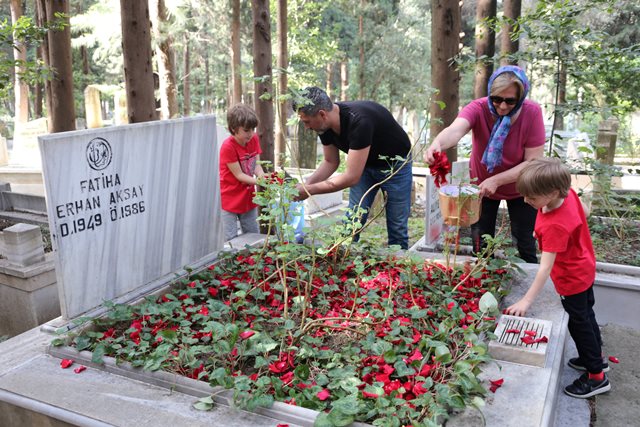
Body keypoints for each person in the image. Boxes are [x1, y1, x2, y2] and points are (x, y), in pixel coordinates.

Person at [505, 157, 611, 399]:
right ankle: (596, 359)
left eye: (531, 198)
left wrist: (526, 301)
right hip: (585, 266)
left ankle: (596, 376)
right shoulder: (569, 194)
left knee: (578, 324)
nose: (526, 201)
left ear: (552, 192)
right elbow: (582, 214)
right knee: (587, 314)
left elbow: (544, 269)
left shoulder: (554, 226)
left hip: (570, 278)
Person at [425, 65, 545, 263]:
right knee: (480, 243)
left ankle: (529, 287)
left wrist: (497, 180)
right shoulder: (478, 108)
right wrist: (437, 143)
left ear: (521, 97)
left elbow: (533, 161)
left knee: (524, 241)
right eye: (497, 99)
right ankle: (480, 282)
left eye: (510, 101)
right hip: (481, 188)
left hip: (521, 188)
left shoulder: (532, 113)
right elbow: (456, 130)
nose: (503, 106)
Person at [292, 86, 413, 249]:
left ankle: (397, 269)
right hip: (365, 166)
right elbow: (330, 162)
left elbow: (351, 177)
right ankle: (344, 260)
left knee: (397, 224)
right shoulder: (324, 125)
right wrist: (305, 186)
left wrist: (309, 190)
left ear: (322, 114)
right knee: (353, 219)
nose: (306, 127)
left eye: (307, 122)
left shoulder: (359, 121)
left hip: (395, 166)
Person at [219, 104, 265, 241]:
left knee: (253, 234)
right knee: (230, 239)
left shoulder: (253, 139)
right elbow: (239, 175)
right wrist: (260, 181)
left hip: (247, 197)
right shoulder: (228, 147)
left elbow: (255, 164)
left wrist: (261, 174)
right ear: (233, 129)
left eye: (252, 129)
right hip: (229, 199)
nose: (251, 134)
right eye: (246, 130)